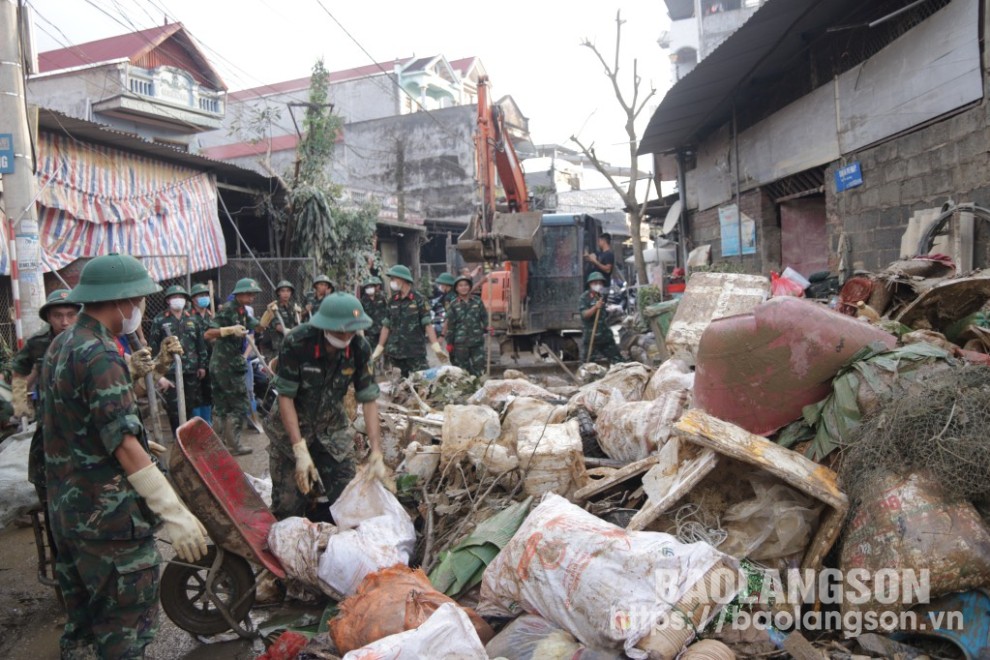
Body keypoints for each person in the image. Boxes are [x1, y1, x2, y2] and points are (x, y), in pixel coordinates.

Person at [39, 254, 207, 659]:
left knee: (82, 629)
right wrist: (173, 510)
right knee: (123, 634)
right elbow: (121, 444)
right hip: (108, 521)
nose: (139, 309)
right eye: (139, 299)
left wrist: (134, 436)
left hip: (68, 515)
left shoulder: (63, 344)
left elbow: (75, 420)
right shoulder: (100, 354)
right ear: (122, 301)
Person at [265, 293, 388, 518]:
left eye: (352, 330)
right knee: (288, 507)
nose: (347, 336)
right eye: (341, 331)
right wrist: (299, 449)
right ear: (325, 327)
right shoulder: (297, 342)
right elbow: (286, 397)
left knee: (350, 500)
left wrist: (376, 451)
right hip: (291, 430)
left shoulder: (360, 348)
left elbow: (369, 400)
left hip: (331, 429)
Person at [11, 289, 81, 505]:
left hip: (81, 416)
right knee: (46, 471)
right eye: (58, 316)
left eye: (70, 314)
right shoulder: (38, 342)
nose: (65, 321)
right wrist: (20, 401)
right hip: (50, 417)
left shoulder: (86, 339)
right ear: (48, 317)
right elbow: (19, 370)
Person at [204, 277, 264, 456]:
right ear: (239, 294)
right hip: (225, 366)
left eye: (253, 294)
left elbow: (259, 328)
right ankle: (234, 445)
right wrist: (229, 330)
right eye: (249, 294)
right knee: (238, 404)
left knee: (221, 406)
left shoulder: (243, 311)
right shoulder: (228, 310)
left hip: (226, 365)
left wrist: (269, 313)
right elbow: (208, 334)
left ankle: (218, 445)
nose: (252, 297)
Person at [147, 285, 208, 435]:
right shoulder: (160, 320)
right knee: (173, 407)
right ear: (168, 300)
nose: (178, 300)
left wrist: (202, 366)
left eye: (180, 297)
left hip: (191, 370)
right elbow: (153, 347)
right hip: (170, 371)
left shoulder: (193, 319)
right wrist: (157, 371)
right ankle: (178, 437)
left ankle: (188, 435)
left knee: (190, 404)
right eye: (174, 297)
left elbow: (200, 344)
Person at [373, 265, 447, 376]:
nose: (391, 282)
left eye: (393, 279)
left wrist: (436, 346)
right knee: (399, 387)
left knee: (422, 384)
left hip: (415, 353)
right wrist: (379, 348)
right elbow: (386, 325)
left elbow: (427, 324)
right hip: (396, 354)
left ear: (403, 279)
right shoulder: (392, 300)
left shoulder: (419, 299)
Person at [444, 275, 489, 376]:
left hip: (477, 342)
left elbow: (484, 317)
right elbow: (450, 325)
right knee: (463, 371)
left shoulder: (477, 301)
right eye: (460, 285)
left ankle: (480, 388)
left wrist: (488, 326)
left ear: (469, 287)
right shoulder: (453, 304)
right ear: (456, 288)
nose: (463, 287)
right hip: (460, 344)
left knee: (480, 368)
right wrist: (449, 343)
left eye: (466, 285)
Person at [580, 272, 622, 364]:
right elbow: (585, 315)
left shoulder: (601, 296)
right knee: (586, 364)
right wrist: (595, 307)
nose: (598, 285)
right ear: (590, 284)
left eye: (600, 283)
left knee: (618, 361)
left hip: (604, 336)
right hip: (591, 336)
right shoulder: (584, 297)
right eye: (595, 283)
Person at [189, 283, 215, 423]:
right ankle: (197, 423)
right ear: (193, 299)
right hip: (194, 360)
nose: (204, 298)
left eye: (206, 295)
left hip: (210, 359)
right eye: (200, 296)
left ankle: (207, 423)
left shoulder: (209, 316)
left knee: (208, 391)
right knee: (195, 394)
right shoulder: (189, 316)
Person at [265, 280, 302, 357]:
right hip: (279, 344)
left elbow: (298, 322)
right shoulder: (274, 307)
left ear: (291, 293)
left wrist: (299, 314)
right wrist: (286, 330)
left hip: (292, 343)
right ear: (278, 293)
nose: (286, 293)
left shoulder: (293, 306)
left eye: (288, 291)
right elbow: (276, 325)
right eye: (283, 291)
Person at [360, 276, 388, 348]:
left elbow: (388, 310)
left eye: (371, 286)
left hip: (382, 329)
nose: (370, 289)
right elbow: (358, 315)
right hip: (369, 332)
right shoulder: (362, 301)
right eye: (368, 287)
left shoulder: (382, 298)